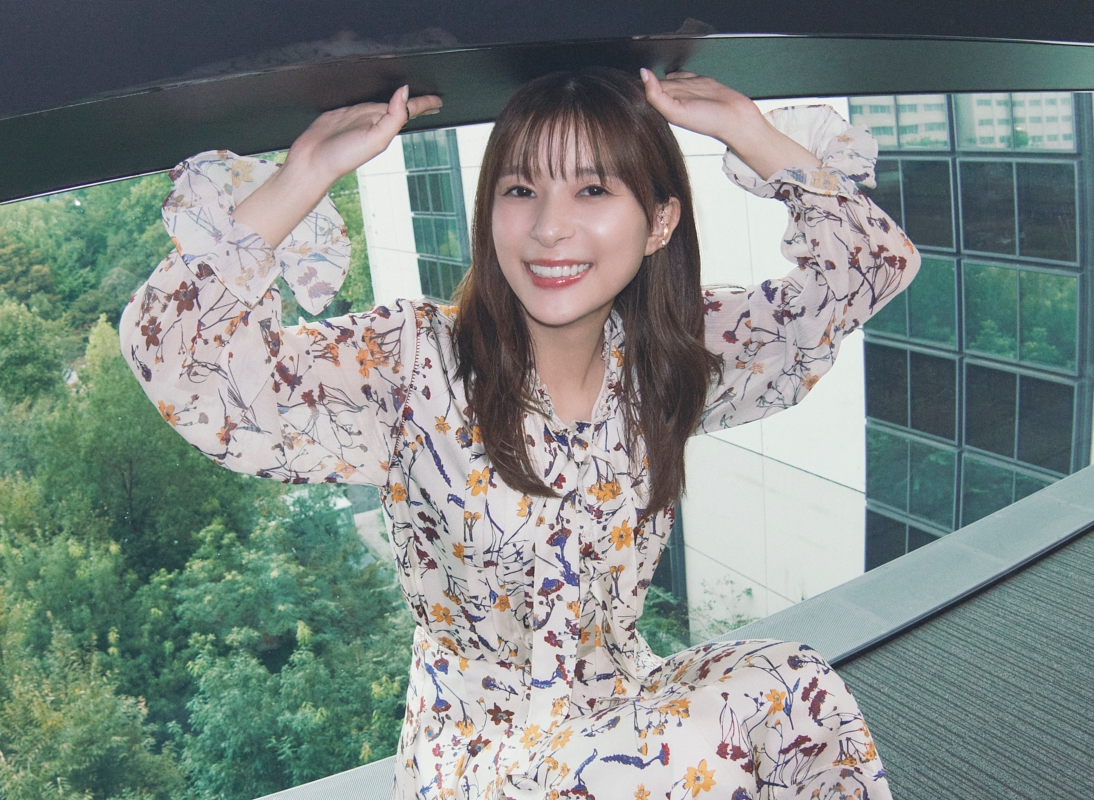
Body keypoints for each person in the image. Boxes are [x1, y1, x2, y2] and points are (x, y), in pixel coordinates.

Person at [121, 67, 918, 800]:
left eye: (593, 189)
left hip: (620, 712)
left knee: (794, 685)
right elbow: (181, 364)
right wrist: (306, 173)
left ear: (659, 222)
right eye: (520, 189)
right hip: (483, 758)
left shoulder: (670, 357)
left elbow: (868, 268)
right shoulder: (412, 364)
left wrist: (746, 129)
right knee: (694, 753)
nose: (548, 229)